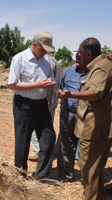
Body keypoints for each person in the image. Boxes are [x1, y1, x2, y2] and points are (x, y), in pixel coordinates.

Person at [58, 37, 112, 200]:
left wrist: (71, 94)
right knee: (96, 167)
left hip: (95, 127)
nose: (78, 56)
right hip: (97, 125)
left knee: (88, 168)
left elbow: (95, 93)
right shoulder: (98, 66)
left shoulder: (101, 68)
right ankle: (100, 195)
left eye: (80, 53)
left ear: (88, 54)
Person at [8, 31, 57, 181]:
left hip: (41, 105)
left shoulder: (46, 62)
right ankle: (20, 176)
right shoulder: (19, 59)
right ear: (34, 45)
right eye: (43, 49)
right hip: (24, 105)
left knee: (49, 138)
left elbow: (50, 79)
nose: (45, 53)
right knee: (23, 141)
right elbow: (13, 84)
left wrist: (51, 85)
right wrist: (37, 84)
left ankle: (42, 175)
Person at [56, 53, 86, 181]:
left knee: (86, 145)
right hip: (68, 112)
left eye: (81, 56)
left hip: (85, 114)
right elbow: (60, 88)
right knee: (66, 143)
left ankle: (87, 177)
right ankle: (65, 175)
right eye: (77, 55)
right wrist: (60, 93)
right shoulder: (68, 71)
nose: (78, 58)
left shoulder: (94, 74)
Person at [30, 52, 61, 156]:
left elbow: (44, 80)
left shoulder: (47, 62)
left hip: (44, 100)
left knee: (38, 125)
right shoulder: (56, 62)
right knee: (48, 124)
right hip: (52, 100)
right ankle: (46, 149)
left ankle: (39, 150)